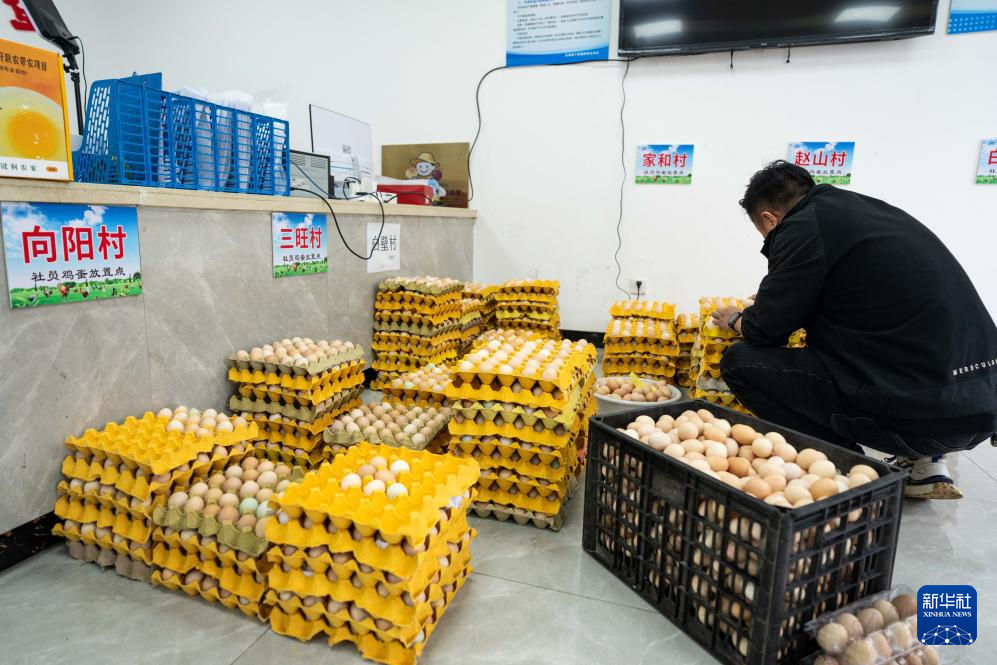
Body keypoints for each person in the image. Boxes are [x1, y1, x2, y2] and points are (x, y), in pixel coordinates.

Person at [712, 160, 997, 500]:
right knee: (901, 354)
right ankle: (924, 462)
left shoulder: (801, 226)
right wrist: (784, 297)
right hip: (981, 405)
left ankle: (851, 469)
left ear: (769, 219)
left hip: (922, 417)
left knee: (740, 362)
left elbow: (765, 331)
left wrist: (736, 318)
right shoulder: (867, 212)